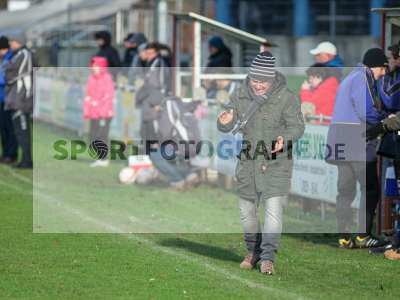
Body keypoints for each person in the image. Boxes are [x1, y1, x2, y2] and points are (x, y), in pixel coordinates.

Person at [217, 51, 305, 275]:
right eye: (255, 81)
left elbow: (297, 126)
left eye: (263, 82)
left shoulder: (287, 97)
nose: (258, 86)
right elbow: (229, 120)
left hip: (276, 163)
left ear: (272, 78)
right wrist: (223, 121)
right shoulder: (240, 94)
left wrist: (285, 139)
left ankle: (267, 257)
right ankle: (252, 251)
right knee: (247, 212)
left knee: (273, 212)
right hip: (248, 162)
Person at [326, 48, 389, 248]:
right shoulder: (363, 78)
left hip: (338, 137)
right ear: (377, 66)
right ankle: (363, 236)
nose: (384, 74)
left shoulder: (350, 77)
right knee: (370, 188)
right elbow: (366, 110)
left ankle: (344, 237)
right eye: (383, 69)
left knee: (345, 190)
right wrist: (385, 119)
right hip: (355, 140)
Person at [4, 33, 34, 169]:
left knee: (23, 131)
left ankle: (27, 160)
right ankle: (24, 159)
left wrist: (8, 74)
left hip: (21, 100)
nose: (10, 44)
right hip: (15, 99)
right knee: (19, 131)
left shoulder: (24, 54)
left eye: (12, 41)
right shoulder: (18, 55)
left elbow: (12, 73)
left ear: (18, 41)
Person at [83, 56, 115, 167]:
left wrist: (101, 110)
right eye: (93, 66)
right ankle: (100, 157)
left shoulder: (107, 79)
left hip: (104, 114)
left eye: (96, 66)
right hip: (94, 113)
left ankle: (103, 159)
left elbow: (108, 96)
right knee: (92, 136)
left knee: (102, 135)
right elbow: (88, 95)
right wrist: (88, 110)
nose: (94, 68)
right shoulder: (91, 79)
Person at [0, 36, 18, 164]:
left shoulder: (11, 59)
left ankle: (11, 154)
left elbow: (7, 79)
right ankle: (5, 153)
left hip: (9, 98)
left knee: (10, 127)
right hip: (2, 98)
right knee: (3, 127)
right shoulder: (4, 59)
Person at [378, 40, 400, 112]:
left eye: (389, 58)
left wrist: (386, 74)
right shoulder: (396, 72)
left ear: (397, 60)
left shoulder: (389, 74)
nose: (386, 62)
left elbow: (389, 100)